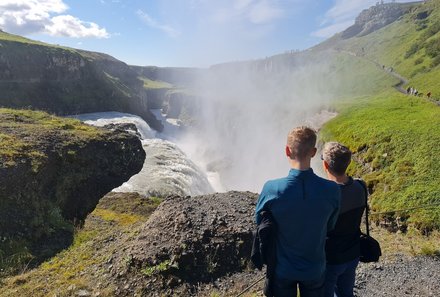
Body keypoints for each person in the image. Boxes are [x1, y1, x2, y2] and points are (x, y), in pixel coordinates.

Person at [255, 126, 341, 297]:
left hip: (283, 269)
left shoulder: (271, 189)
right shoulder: (332, 190)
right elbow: (331, 225)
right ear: (314, 152)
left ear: (287, 151)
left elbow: (260, 222)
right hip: (315, 268)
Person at [321, 142, 367, 297]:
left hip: (330, 258)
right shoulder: (361, 187)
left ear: (325, 165)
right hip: (353, 254)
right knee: (346, 293)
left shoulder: (324, 195)